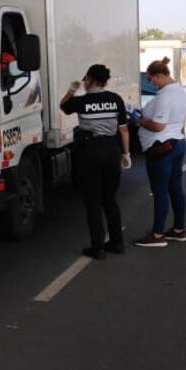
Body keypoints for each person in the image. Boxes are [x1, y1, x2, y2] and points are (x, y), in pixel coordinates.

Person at [60, 64, 132, 259]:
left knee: (93, 202)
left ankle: (98, 247)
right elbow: (123, 130)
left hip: (90, 152)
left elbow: (63, 106)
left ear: (90, 79)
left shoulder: (82, 101)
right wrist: (126, 154)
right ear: (106, 82)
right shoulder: (116, 100)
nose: (83, 82)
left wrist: (71, 90)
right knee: (110, 199)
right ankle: (117, 243)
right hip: (112, 150)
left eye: (85, 79)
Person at [134, 56, 186, 247]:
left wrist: (138, 120)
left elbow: (158, 126)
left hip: (162, 145)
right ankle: (178, 229)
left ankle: (157, 235)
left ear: (160, 75)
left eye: (151, 79)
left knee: (160, 191)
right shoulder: (179, 91)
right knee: (175, 188)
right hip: (177, 142)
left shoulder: (166, 95)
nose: (150, 83)